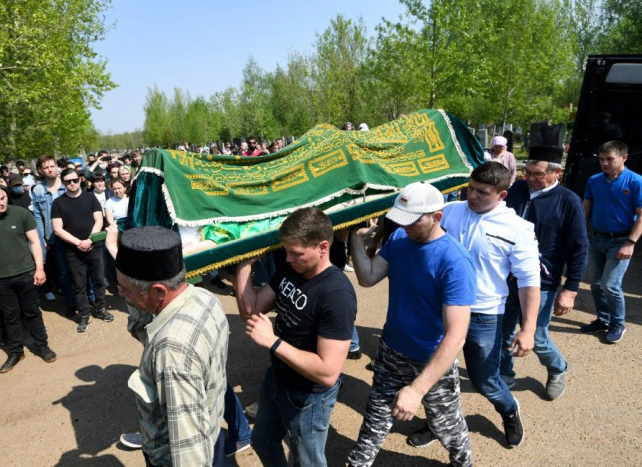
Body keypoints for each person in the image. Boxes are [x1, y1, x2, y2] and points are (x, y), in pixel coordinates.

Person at [409, 162, 540, 449]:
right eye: (470, 188)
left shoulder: (518, 229)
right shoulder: (450, 211)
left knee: (484, 380)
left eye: (482, 192)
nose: (472, 196)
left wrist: (528, 328)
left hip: (484, 314)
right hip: (440, 308)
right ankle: (438, 423)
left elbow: (530, 281)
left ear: (502, 195)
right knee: (436, 372)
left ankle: (508, 409)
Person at [347, 182, 474, 467]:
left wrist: (417, 390)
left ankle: (463, 463)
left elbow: (456, 336)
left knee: (447, 428)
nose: (405, 227)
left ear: (437, 217)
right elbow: (367, 277)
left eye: (413, 221)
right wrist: (355, 240)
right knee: (376, 418)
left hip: (431, 362)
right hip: (391, 351)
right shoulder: (400, 241)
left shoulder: (455, 261)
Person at [235, 207, 356, 466]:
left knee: (307, 461)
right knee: (263, 442)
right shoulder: (292, 269)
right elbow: (251, 310)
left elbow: (328, 372)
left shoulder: (336, 295)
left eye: (296, 253)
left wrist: (273, 341)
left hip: (308, 397)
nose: (288, 259)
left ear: (323, 247)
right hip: (277, 379)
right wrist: (245, 265)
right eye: (287, 252)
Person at [117, 226, 229, 466]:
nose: (120, 293)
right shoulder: (205, 299)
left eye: (126, 290)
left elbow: (189, 451)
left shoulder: (172, 352)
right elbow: (146, 330)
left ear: (158, 291)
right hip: (213, 434)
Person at [501, 146, 588, 399]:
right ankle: (504, 375)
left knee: (536, 336)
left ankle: (557, 368)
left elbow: (579, 248)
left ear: (556, 172)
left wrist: (570, 290)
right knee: (504, 331)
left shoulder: (568, 201)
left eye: (537, 174)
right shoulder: (517, 190)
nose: (530, 178)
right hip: (507, 278)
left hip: (543, 282)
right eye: (526, 172)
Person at [0, 186, 57, 373]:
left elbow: (35, 241)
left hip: (26, 273)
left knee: (32, 312)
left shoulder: (20, 213)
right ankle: (16, 351)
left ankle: (42, 346)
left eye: (3, 197)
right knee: (9, 316)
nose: (2, 202)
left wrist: (39, 268)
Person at [581, 140, 642, 343]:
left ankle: (618, 323)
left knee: (610, 284)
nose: (605, 163)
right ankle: (603, 319)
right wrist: (579, 234)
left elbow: (641, 216)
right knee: (595, 284)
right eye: (601, 159)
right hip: (596, 239)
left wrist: (630, 243)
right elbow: (585, 208)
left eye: (610, 159)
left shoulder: (636, 182)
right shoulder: (594, 180)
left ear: (624, 157)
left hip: (621, 241)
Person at [51, 168, 114, 332]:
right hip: (73, 250)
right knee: (79, 285)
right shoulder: (58, 203)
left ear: (80, 179)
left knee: (99, 280)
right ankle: (84, 314)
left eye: (74, 180)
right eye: (68, 181)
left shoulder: (90, 197)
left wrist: (89, 240)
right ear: (63, 183)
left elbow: (99, 220)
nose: (72, 183)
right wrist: (79, 242)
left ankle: (100, 309)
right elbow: (58, 229)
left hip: (94, 246)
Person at [32, 154, 76, 308]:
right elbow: (37, 216)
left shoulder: (68, 184)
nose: (50, 170)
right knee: (62, 271)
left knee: (76, 269)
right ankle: (70, 303)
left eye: (52, 166)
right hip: (53, 237)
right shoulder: (38, 190)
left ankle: (82, 298)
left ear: (57, 167)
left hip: (73, 234)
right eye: (46, 167)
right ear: (40, 170)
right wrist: (42, 236)